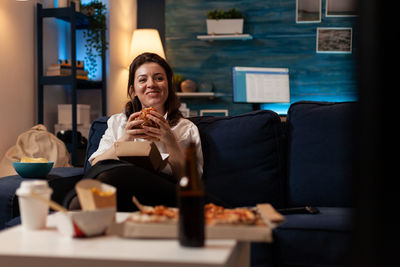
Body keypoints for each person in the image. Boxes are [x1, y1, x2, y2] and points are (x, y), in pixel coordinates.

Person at [69, 52, 208, 211]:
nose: (151, 84)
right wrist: (126, 137)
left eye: (159, 78)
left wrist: (170, 140)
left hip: (164, 193)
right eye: (142, 80)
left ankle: (80, 207)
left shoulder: (186, 128)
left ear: (168, 86)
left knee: (112, 175)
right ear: (133, 90)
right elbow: (96, 166)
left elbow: (191, 180)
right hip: (120, 192)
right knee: (58, 184)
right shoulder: (117, 122)